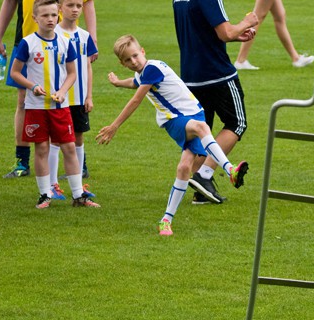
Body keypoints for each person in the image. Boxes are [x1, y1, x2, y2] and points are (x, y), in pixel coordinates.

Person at [97, 35, 249, 236]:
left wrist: (118, 83)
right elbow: (136, 99)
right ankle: (230, 171)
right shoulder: (148, 70)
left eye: (135, 56)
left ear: (142, 51)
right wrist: (115, 125)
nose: (133, 62)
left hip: (193, 114)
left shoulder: (149, 70)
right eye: (127, 60)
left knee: (184, 167)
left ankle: (166, 220)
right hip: (176, 119)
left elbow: (134, 83)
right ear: (122, 63)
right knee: (202, 128)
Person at [0, 0, 98, 179]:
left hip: (61, 44)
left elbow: (87, 0)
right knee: (24, 101)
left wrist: (91, 39)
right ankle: (22, 161)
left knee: (67, 100)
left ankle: (76, 161)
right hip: (26, 41)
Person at [173, 0, 259, 205]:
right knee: (237, 122)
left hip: (191, 76)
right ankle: (206, 173)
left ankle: (201, 192)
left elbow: (205, 33)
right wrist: (247, 22)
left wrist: (237, 36)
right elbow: (224, 33)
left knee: (204, 133)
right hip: (218, 74)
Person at [9, 0, 100, 209]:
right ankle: (45, 194)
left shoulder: (65, 42)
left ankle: (78, 195)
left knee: (69, 146)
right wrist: (32, 86)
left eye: (53, 15)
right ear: (35, 17)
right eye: (45, 15)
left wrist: (62, 91)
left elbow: (71, 73)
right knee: (41, 148)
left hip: (60, 107)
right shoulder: (27, 43)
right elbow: (14, 72)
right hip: (36, 107)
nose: (50, 19)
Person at [48, 0, 97, 201]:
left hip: (79, 98)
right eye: (70, 5)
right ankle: (52, 185)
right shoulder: (53, 35)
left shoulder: (85, 36)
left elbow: (87, 67)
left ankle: (77, 182)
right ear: (60, 8)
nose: (75, 10)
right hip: (60, 97)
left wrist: (89, 96)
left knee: (78, 138)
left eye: (79, 5)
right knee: (56, 140)